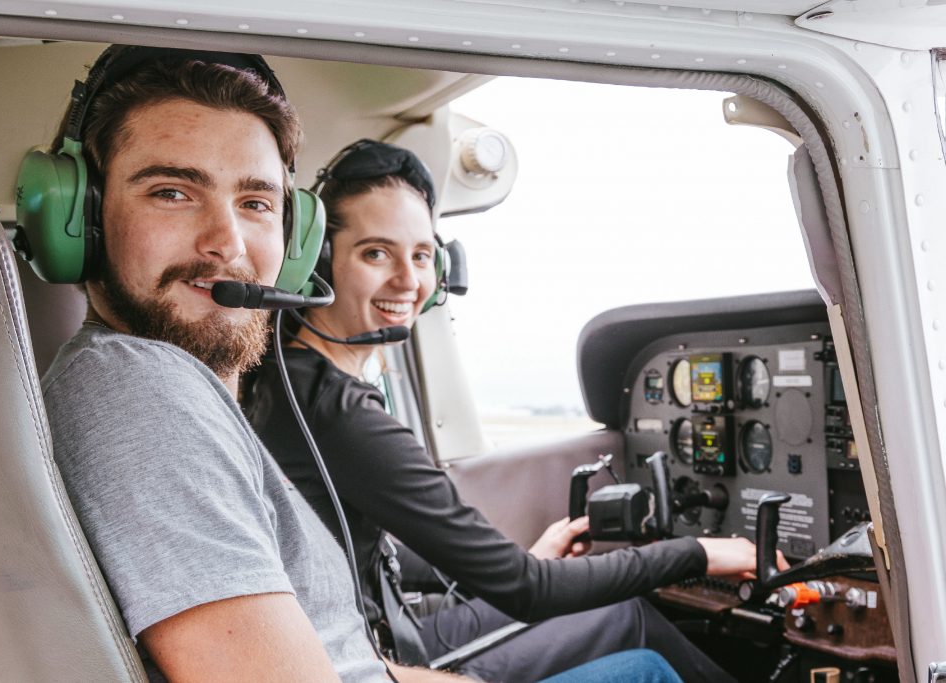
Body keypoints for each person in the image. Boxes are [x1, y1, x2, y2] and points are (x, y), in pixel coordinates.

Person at [34, 45, 683, 683]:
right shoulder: (141, 388)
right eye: (172, 191)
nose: (226, 243)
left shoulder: (185, 393)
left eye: (256, 202)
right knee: (643, 662)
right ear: (82, 216)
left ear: (293, 244)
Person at [244, 139, 787, 683]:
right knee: (640, 659)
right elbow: (528, 589)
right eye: (376, 253)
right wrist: (697, 552)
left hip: (371, 638)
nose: (408, 281)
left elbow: (359, 548)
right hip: (369, 660)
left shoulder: (288, 379)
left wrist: (520, 558)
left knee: (621, 613)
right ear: (317, 262)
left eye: (421, 255)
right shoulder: (334, 408)